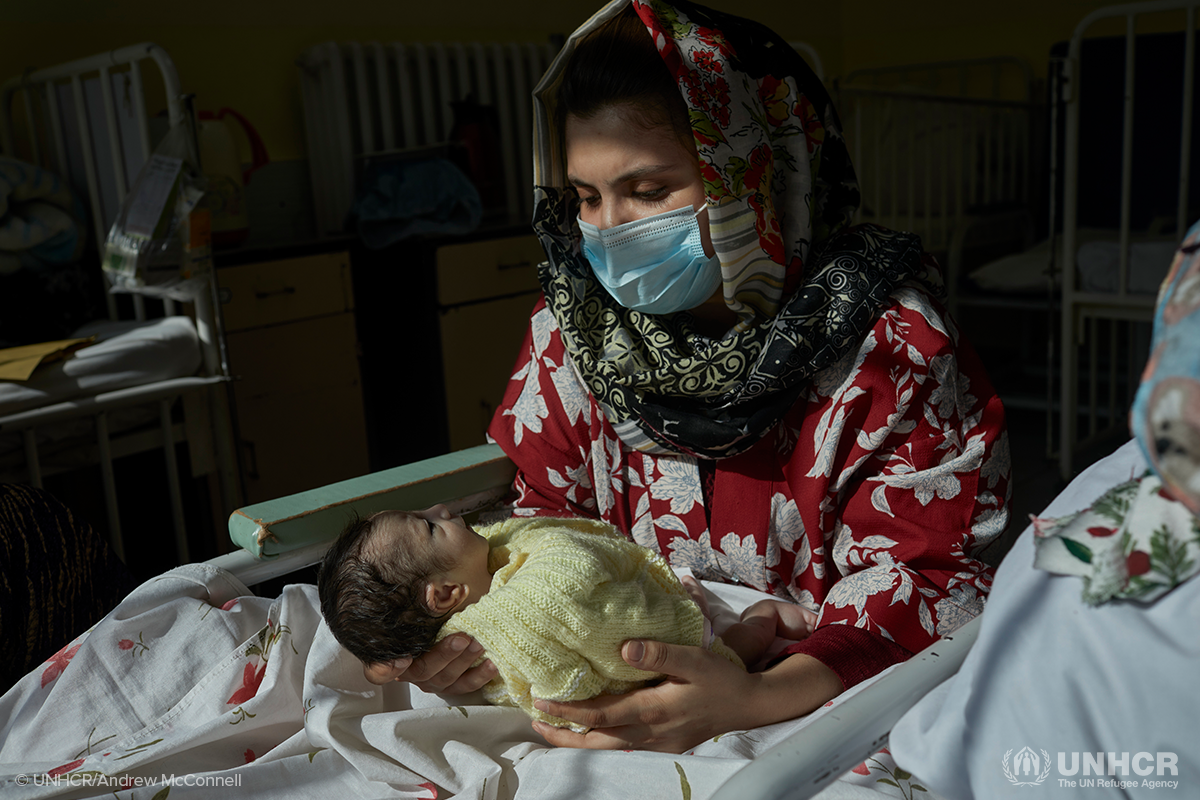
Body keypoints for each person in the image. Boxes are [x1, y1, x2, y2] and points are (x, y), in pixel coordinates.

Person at [365, 0, 1011, 753]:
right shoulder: (571, 330)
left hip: (821, 693)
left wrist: (756, 695)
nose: (610, 230)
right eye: (585, 197)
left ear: (756, 173)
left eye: (650, 191)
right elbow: (542, 520)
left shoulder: (894, 344)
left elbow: (930, 578)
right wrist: (476, 632)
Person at [319, 503, 815, 729]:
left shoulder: (466, 600)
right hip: (671, 656)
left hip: (634, 695)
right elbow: (583, 586)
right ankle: (761, 622)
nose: (444, 509)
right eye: (430, 527)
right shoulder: (538, 597)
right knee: (734, 646)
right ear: (447, 594)